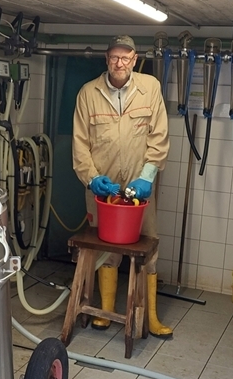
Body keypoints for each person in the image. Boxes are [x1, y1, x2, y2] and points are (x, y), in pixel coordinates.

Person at [72, 35, 172, 338]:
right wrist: (92, 179)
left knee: (148, 245)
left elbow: (159, 135)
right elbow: (80, 144)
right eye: (115, 57)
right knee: (106, 249)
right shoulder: (88, 93)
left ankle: (150, 316)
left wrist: (148, 175)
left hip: (140, 184)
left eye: (126, 57)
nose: (120, 63)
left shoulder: (150, 87)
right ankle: (106, 311)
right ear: (106, 59)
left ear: (134, 59)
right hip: (103, 186)